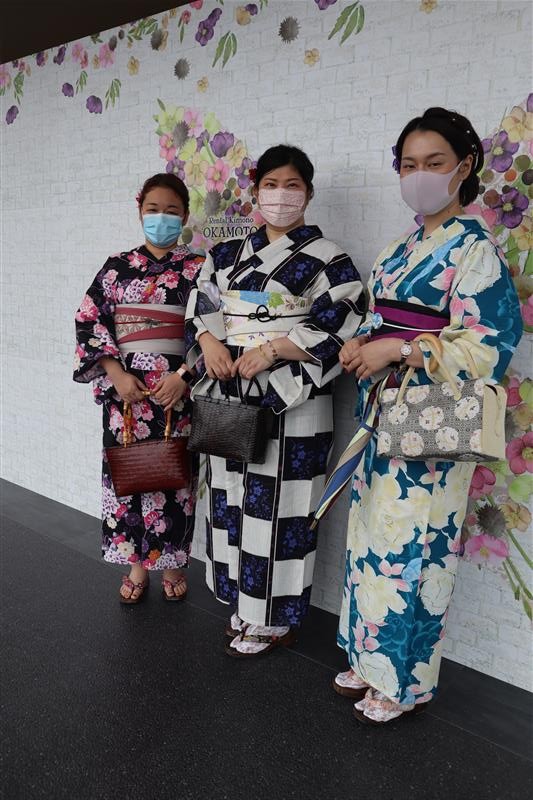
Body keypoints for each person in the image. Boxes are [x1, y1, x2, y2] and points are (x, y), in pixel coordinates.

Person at [334, 107, 523, 723]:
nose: (420, 174)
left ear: (463, 167)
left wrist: (403, 349)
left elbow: (490, 343)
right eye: (409, 164)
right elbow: (378, 317)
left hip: (434, 418)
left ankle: (403, 681)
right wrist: (361, 343)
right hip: (385, 409)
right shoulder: (398, 250)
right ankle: (366, 657)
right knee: (372, 535)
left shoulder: (476, 250)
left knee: (415, 548)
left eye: (434, 162)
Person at [185, 145, 365, 656]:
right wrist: (210, 342)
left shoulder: (330, 259)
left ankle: (273, 618)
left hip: (294, 400)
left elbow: (344, 319)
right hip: (233, 392)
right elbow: (203, 301)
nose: (280, 195)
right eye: (271, 184)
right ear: (255, 191)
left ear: (308, 193)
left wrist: (272, 350)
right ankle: (242, 602)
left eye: (292, 186)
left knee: (283, 507)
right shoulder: (226, 253)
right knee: (231, 499)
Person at [74, 173, 203, 603]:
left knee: (175, 480)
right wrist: (115, 373)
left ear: (185, 215)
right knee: (128, 477)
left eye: (171, 211)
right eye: (153, 210)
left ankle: (173, 563)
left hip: (175, 393)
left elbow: (213, 331)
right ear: (140, 211)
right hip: (126, 394)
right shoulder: (116, 267)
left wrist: (184, 376)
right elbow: (90, 319)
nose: (161, 218)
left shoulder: (200, 269)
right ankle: (136, 565)